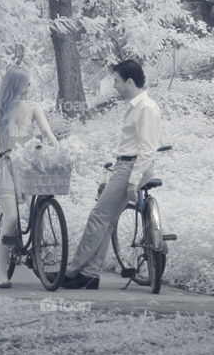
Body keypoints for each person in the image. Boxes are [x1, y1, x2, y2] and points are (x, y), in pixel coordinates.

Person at [62, 59, 161, 289]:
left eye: (116, 81)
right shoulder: (135, 107)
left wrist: (132, 181)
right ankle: (90, 275)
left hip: (132, 168)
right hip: (125, 166)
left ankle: (72, 270)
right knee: (106, 222)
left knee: (97, 216)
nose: (114, 86)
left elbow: (147, 149)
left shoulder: (146, 108)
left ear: (129, 81)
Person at [0, 69, 58, 287]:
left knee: (39, 212)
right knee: (11, 219)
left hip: (27, 161)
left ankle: (35, 251)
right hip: (4, 163)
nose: (29, 88)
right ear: (15, 85)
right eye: (25, 84)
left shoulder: (33, 107)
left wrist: (59, 148)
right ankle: (2, 272)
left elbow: (46, 131)